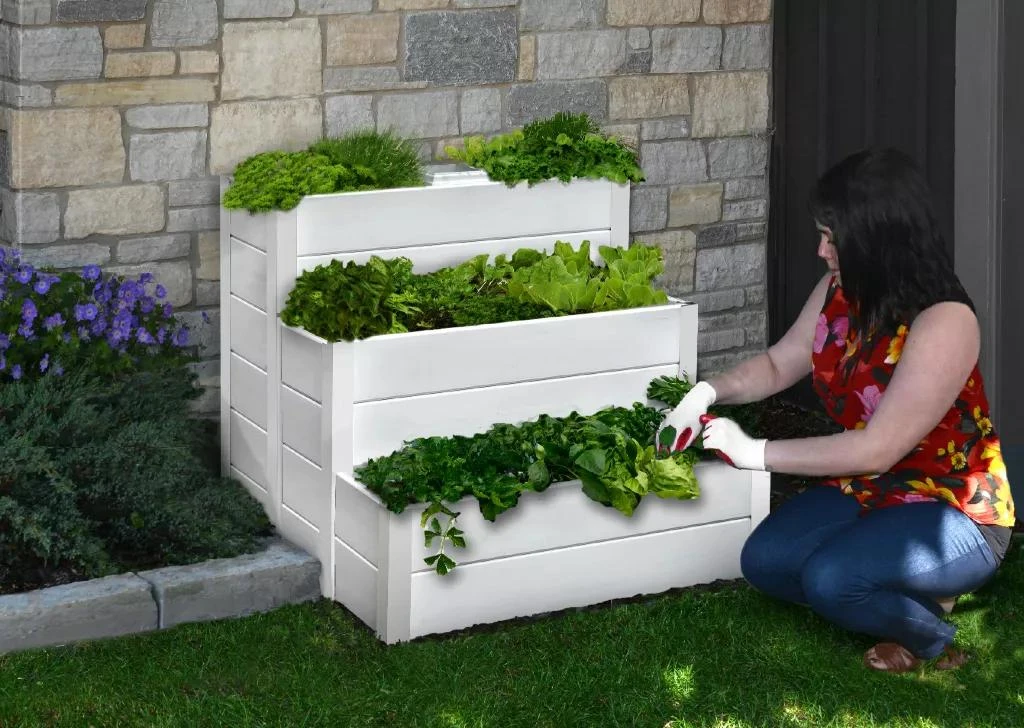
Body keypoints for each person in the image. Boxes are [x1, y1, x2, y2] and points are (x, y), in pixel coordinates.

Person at [658, 148, 1015, 673]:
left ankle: (932, 635)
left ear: (875, 239)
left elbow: (877, 447)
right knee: (764, 561)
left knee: (831, 580)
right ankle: (893, 581)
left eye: (832, 237)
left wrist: (754, 452)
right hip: (872, 485)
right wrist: (705, 394)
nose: (821, 250)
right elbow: (777, 365)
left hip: (953, 506)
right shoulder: (838, 291)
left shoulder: (944, 320)